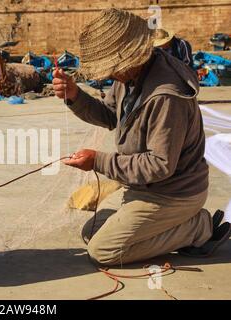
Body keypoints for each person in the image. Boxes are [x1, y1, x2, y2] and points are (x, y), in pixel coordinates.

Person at [52, 8, 231, 266]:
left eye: (112, 69)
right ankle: (175, 225)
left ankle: (197, 227)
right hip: (144, 186)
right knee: (91, 232)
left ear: (131, 56)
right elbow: (110, 115)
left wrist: (99, 162)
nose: (110, 75)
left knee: (103, 252)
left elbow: (159, 165)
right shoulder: (130, 73)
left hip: (174, 193)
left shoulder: (166, 95)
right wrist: (75, 95)